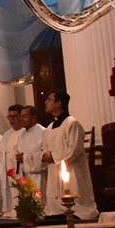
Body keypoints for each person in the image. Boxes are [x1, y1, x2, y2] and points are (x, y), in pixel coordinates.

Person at [40, 91, 97, 220]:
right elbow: (45, 148)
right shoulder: (49, 128)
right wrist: (46, 155)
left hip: (71, 168)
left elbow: (74, 149)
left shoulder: (72, 123)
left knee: (73, 198)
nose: (46, 102)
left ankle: (77, 213)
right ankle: (57, 212)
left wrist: (53, 157)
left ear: (59, 103)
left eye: (49, 99)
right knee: (55, 203)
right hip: (54, 169)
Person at [13, 105, 47, 214]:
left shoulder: (43, 132)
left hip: (39, 175)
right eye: (20, 116)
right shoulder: (22, 135)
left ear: (33, 117)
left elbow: (44, 154)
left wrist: (25, 157)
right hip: (26, 175)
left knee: (40, 203)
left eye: (24, 116)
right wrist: (18, 157)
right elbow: (18, 151)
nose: (21, 119)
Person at [0, 105, 24, 217]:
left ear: (21, 116)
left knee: (22, 189)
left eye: (15, 116)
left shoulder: (24, 132)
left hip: (20, 168)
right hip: (8, 168)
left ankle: (22, 209)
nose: (12, 120)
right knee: (11, 189)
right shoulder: (7, 134)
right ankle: (13, 208)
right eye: (9, 117)